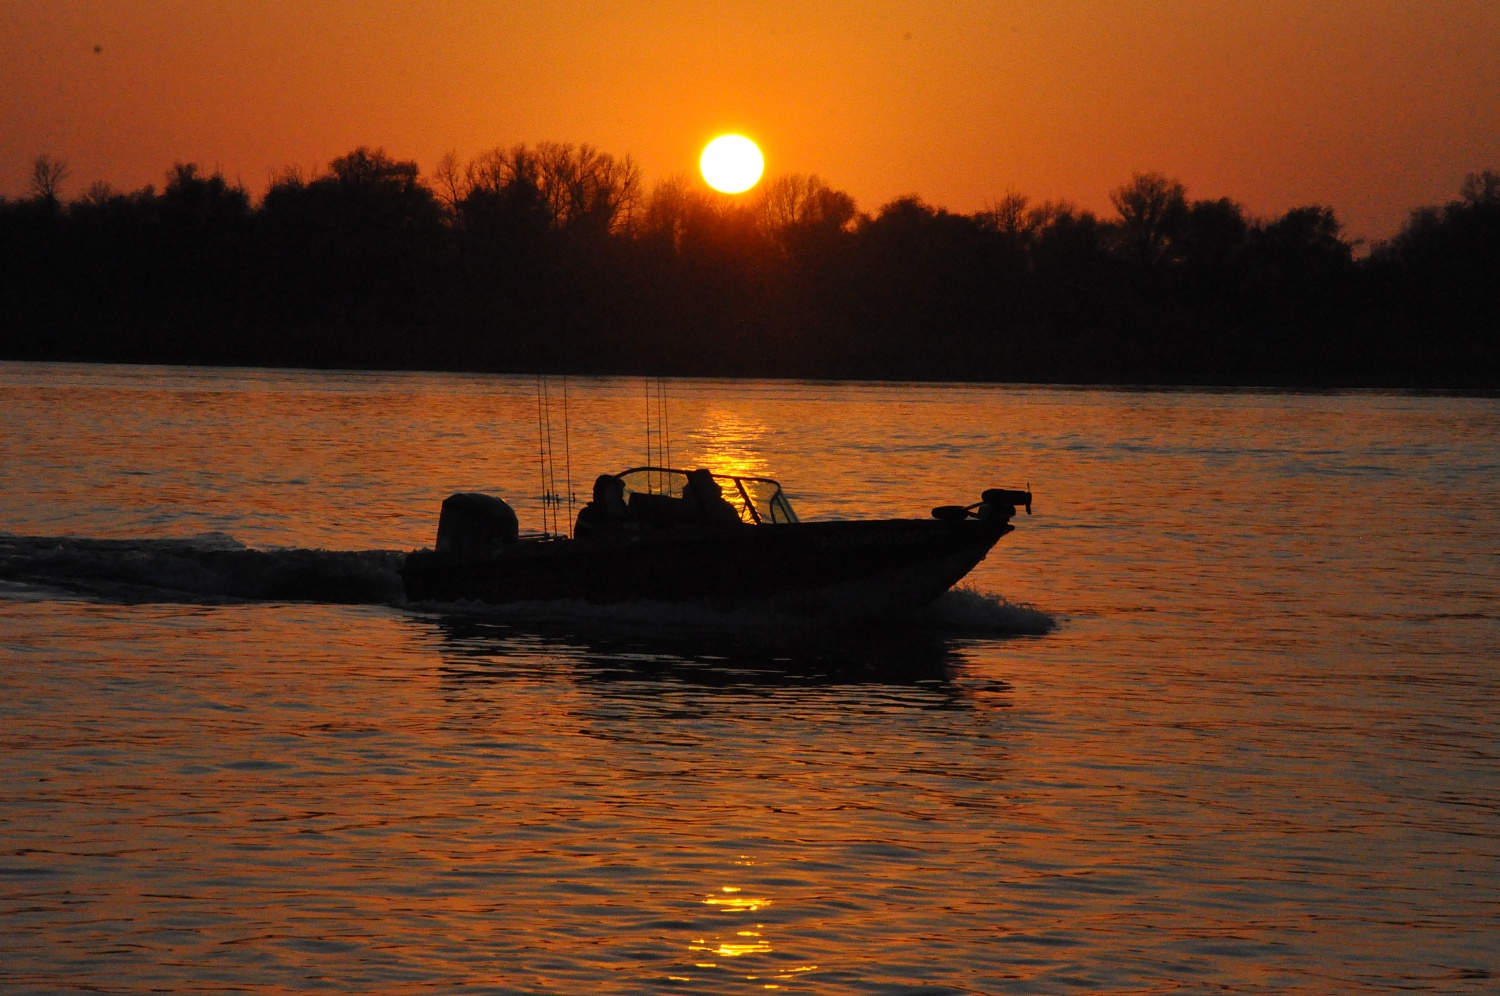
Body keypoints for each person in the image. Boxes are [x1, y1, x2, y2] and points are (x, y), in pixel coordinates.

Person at [574, 474, 628, 538]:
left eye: (617, 491)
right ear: (602, 494)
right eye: (611, 490)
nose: (617, 494)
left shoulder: (626, 511)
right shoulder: (588, 515)